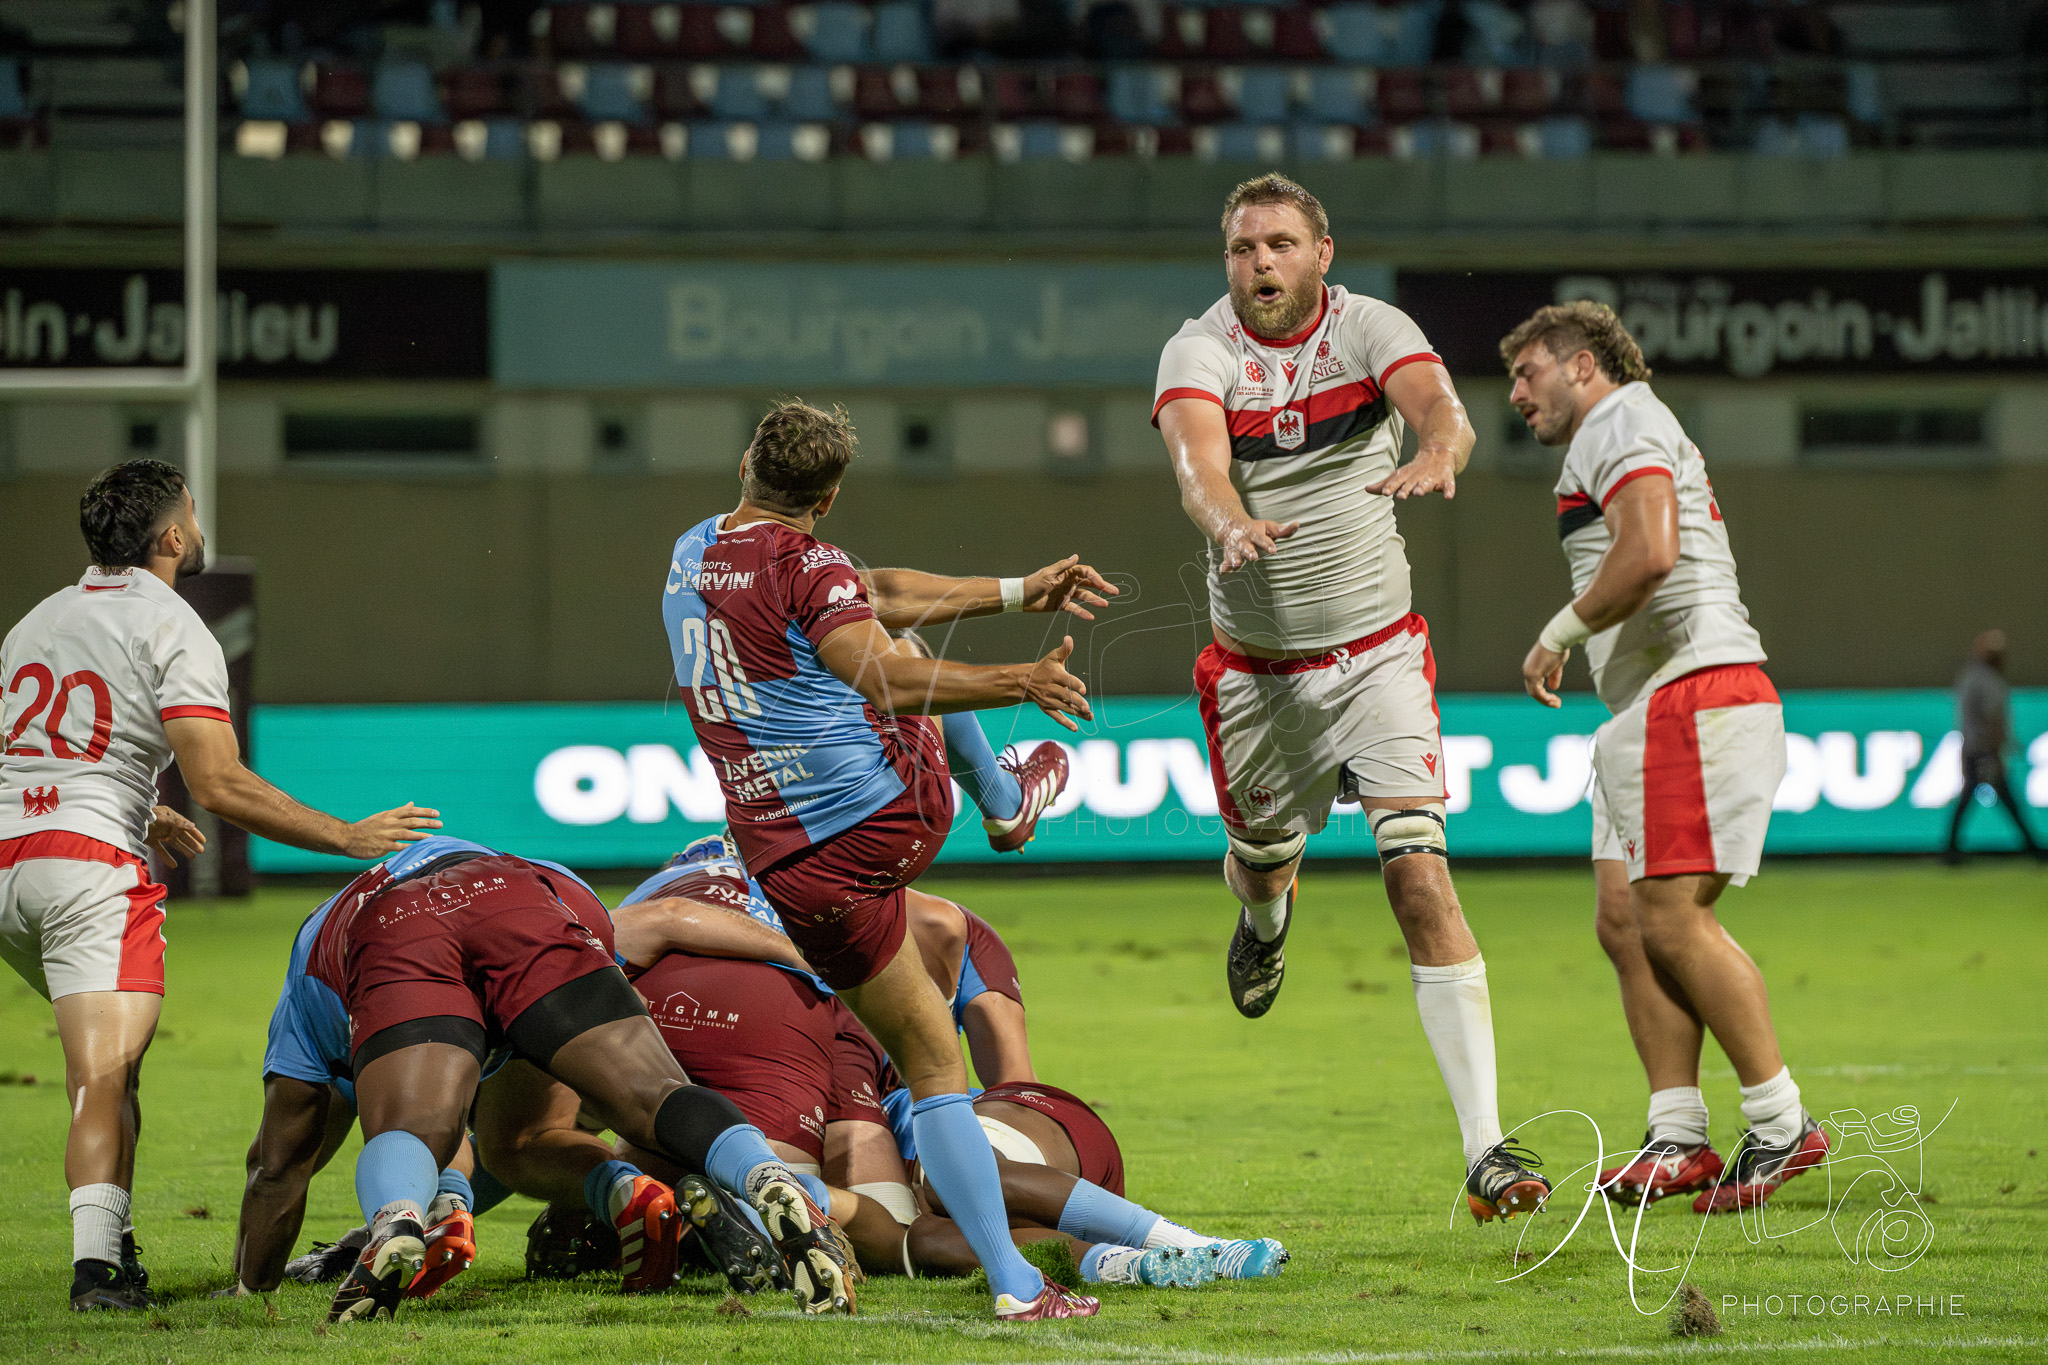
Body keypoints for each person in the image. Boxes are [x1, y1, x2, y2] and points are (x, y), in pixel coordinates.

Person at [660, 398, 1113, 1321]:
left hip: (784, 864)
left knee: (931, 1056)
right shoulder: (810, 563)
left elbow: (878, 590)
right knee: (905, 655)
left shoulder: (695, 548)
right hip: (882, 821)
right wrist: (1017, 678)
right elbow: (886, 670)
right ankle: (1005, 800)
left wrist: (1021, 590)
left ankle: (1016, 1285)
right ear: (826, 499)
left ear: (750, 464)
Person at [1153, 174, 1547, 1224]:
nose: (1261, 264)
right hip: (1257, 677)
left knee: (1418, 876)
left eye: (1280, 244)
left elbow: (1440, 411)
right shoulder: (1198, 351)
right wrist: (1225, 520)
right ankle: (1266, 920)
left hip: (1378, 657)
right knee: (1262, 860)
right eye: (1242, 249)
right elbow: (1196, 464)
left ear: (1321, 252)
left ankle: (1484, 1151)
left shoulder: (1369, 327)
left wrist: (1438, 450)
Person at [0, 459, 440, 1313]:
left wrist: (142, 809)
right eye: (193, 516)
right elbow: (221, 781)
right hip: (87, 872)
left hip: (9, 861)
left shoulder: (35, 620)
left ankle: (115, 1246)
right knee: (102, 1073)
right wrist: (344, 835)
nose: (200, 531)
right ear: (170, 537)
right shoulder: (176, 624)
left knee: (106, 1071)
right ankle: (97, 1275)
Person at [601, 856, 1289, 1290]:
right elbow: (1000, 1085)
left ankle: (1187, 1244)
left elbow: (1018, 1087)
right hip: (905, 1112)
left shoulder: (920, 927)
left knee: (936, 1190)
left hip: (1017, 1124)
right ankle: (1146, 1256)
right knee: (916, 1223)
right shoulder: (881, 931)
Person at [1503, 301, 1828, 1214]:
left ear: (1582, 365)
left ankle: (1780, 1122)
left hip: (1696, 690)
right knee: (1624, 920)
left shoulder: (1624, 417)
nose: (1516, 394)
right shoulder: (1607, 432)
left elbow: (1651, 550)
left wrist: (1557, 632)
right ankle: (1679, 1132)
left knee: (1672, 918)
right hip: (1647, 707)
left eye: (1529, 373)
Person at [300, 839, 849, 1321]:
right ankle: (775, 1181)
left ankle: (409, 1218)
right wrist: (813, 967)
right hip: (782, 1015)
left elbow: (667, 917)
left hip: (433, 932)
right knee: (659, 1104)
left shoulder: (658, 890)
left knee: (476, 1135)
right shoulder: (792, 898)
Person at [1945, 629, 2043, 863]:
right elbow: (1991, 718)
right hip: (1984, 750)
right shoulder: (1987, 681)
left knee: (1977, 798)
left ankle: (1951, 849)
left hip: (1975, 748)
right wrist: (1998, 745)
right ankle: (2032, 847)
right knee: (1999, 799)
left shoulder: (1971, 678)